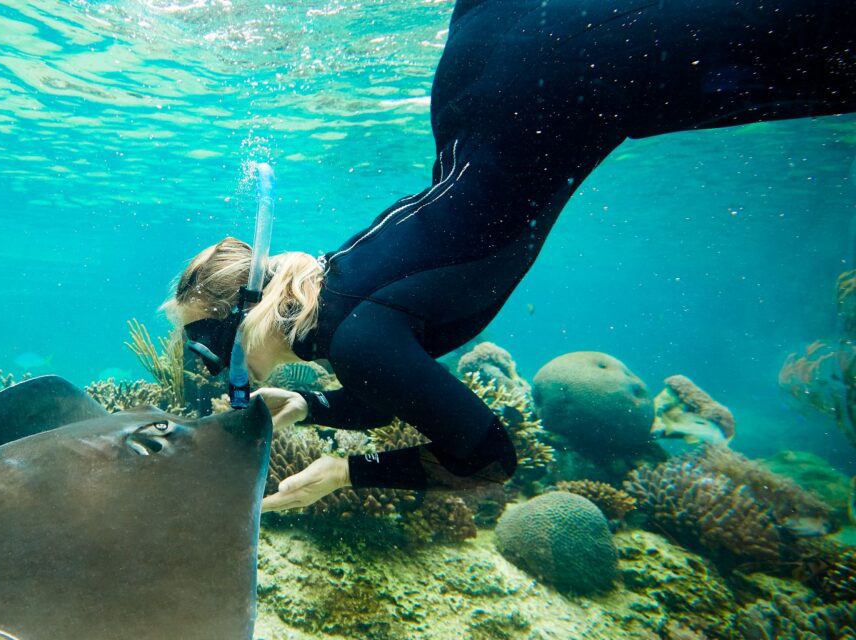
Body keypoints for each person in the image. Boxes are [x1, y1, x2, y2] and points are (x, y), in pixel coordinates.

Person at [167, 0, 856, 511]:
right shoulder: (339, 293)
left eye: (202, 343)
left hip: (567, 76)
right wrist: (310, 407)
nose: (203, 364)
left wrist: (344, 474)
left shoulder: (358, 336)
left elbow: (489, 459)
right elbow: (388, 395)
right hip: (487, 63)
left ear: (246, 313)